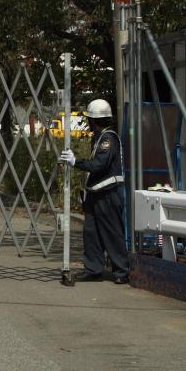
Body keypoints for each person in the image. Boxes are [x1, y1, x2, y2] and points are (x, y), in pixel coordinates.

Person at [58, 99, 130, 284]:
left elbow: (99, 165)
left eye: (89, 119)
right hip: (95, 194)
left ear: (94, 120)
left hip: (108, 193)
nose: (88, 122)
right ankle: (93, 270)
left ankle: (121, 272)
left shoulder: (109, 139)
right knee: (91, 233)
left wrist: (76, 162)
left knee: (112, 232)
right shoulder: (98, 138)